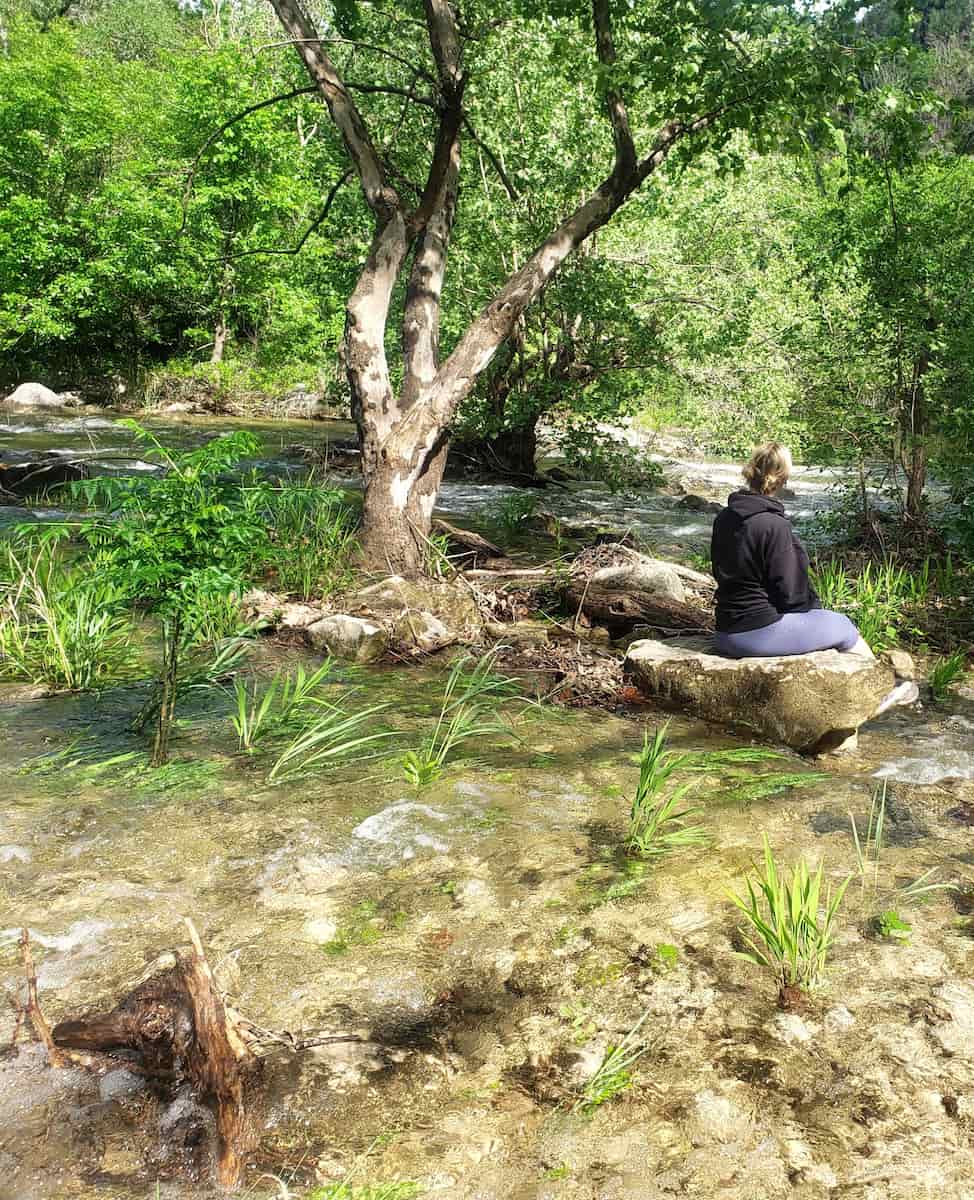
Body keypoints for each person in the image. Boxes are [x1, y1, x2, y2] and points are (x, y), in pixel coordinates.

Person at [710, 441, 862, 659]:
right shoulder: (774, 525)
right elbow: (792, 596)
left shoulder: (725, 517)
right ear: (783, 478)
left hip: (724, 631)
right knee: (844, 626)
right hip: (755, 635)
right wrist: (815, 614)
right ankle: (888, 690)